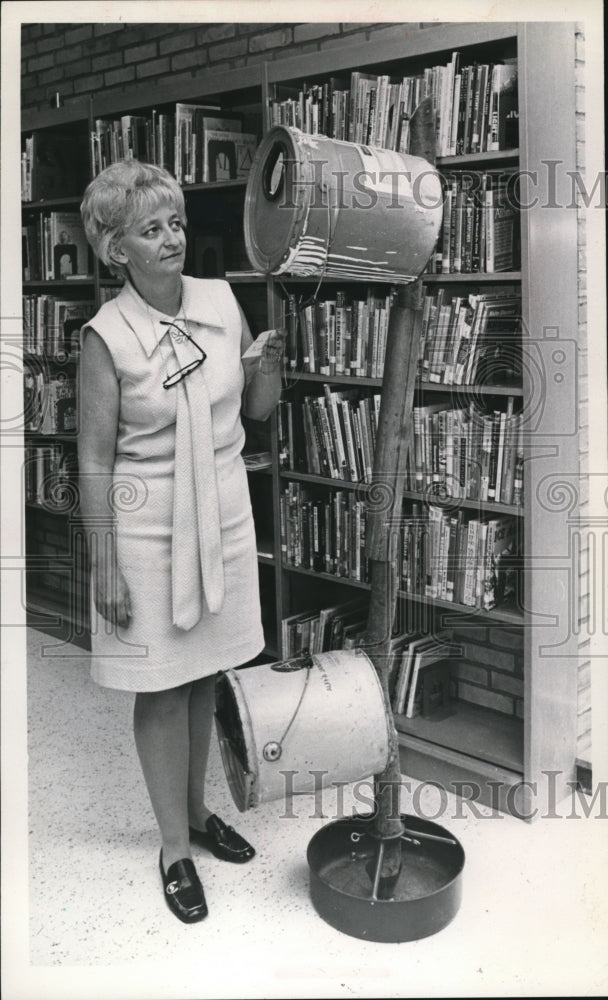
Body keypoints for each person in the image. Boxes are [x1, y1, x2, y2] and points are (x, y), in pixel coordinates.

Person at [78, 160, 284, 924]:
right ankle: (174, 848)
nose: (171, 238)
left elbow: (255, 413)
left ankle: (197, 814)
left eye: (176, 223)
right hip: (145, 525)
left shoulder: (220, 300)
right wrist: (103, 561)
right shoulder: (105, 337)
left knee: (204, 676)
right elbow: (94, 459)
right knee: (162, 686)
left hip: (224, 516)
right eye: (150, 228)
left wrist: (267, 371)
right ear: (114, 249)